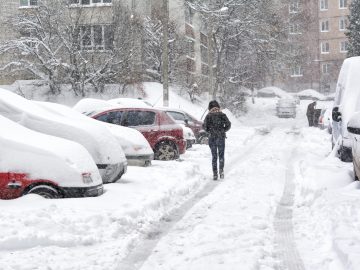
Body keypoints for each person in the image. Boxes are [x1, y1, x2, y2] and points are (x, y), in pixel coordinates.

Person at [203, 100, 231, 180]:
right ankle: (221, 172)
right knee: (221, 156)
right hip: (221, 137)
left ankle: (215, 174)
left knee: (214, 156)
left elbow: (204, 127)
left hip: (212, 138)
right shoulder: (222, 115)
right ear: (218, 107)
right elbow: (229, 124)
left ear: (210, 108)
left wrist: (210, 131)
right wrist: (223, 130)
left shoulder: (208, 116)